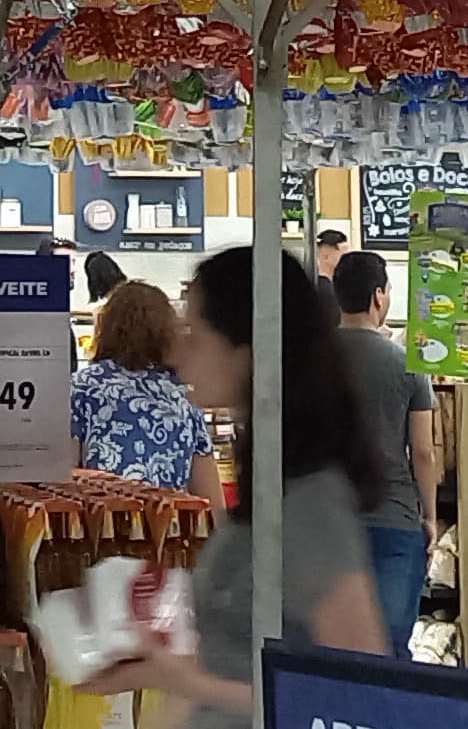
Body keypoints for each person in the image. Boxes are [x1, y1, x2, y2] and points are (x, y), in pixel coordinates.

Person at [78, 247, 387, 729]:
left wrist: (181, 679)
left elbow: (355, 691)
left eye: (195, 334)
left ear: (245, 347)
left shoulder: (309, 503)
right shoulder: (272, 482)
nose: (178, 352)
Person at [331, 248, 441, 654]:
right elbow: (424, 451)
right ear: (379, 296)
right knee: (389, 646)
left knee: (331, 647)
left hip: (325, 520)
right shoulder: (407, 363)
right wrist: (428, 516)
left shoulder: (308, 361)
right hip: (393, 518)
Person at [69, 280, 211, 488]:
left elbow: (65, 475)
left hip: (107, 515)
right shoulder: (181, 396)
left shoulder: (83, 387)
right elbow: (211, 499)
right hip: (170, 517)